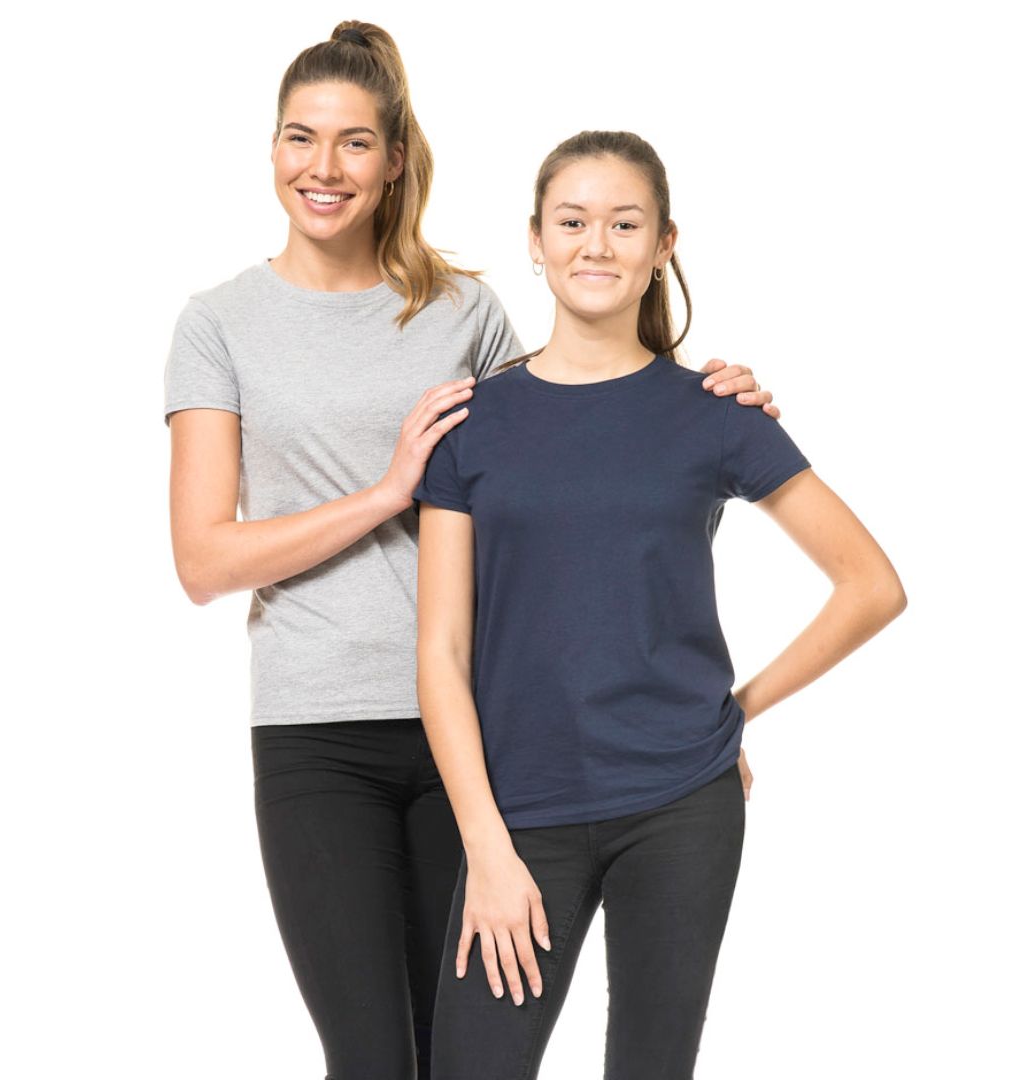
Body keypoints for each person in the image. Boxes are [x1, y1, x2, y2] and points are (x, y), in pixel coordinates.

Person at [165, 25, 778, 1080]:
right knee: (370, 1055)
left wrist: (710, 402)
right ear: (271, 149)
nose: (324, 167)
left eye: (355, 142)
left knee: (460, 1054)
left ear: (395, 159)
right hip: (319, 731)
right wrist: (386, 493)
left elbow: (581, 434)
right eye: (300, 138)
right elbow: (203, 562)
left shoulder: (464, 312)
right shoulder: (218, 324)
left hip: (486, 737)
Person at [415, 129, 907, 1079]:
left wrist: (736, 712)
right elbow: (441, 652)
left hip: (682, 805)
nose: (596, 245)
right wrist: (484, 843)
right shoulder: (472, 425)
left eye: (624, 223)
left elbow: (871, 586)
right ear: (534, 240)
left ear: (663, 244)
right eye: (572, 222)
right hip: (519, 810)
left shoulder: (715, 413)